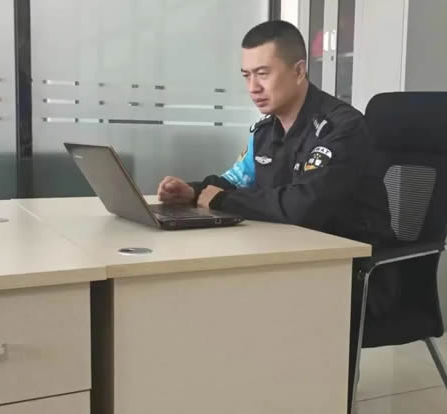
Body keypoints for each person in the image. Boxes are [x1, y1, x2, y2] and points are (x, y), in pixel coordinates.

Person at [157, 20, 398, 412]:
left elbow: (304, 206)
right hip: (293, 260)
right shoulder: (265, 133)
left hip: (356, 272)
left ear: (299, 70)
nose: (253, 87)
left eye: (263, 73)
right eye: (246, 75)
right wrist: (194, 190)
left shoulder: (342, 128)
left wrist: (220, 200)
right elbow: (235, 181)